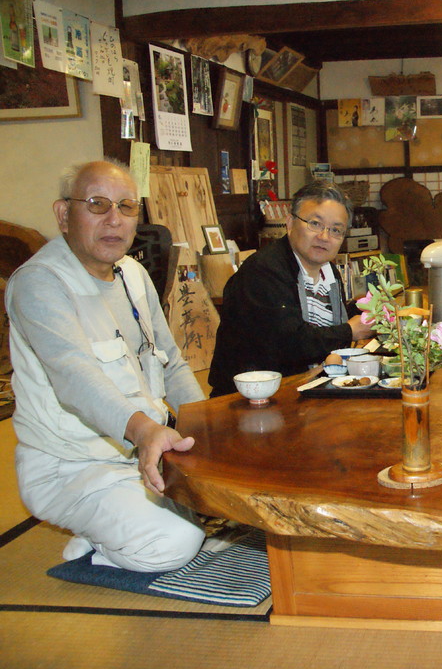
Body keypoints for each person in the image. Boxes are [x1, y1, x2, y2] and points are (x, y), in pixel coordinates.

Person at [6, 160, 207, 572]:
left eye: (127, 206)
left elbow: (170, 362)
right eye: (97, 205)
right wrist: (146, 429)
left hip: (142, 453)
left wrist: (207, 429)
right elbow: (74, 377)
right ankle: (97, 543)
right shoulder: (39, 283)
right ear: (64, 215)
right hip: (71, 467)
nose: (114, 220)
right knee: (178, 541)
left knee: (238, 505)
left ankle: (125, 518)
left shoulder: (133, 273)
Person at [207, 180, 374, 397]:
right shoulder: (263, 271)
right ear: (289, 223)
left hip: (305, 388)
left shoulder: (329, 271)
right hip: (252, 398)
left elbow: (325, 325)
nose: (324, 236)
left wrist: (364, 312)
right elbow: (289, 343)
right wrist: (350, 330)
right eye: (315, 223)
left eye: (336, 230)